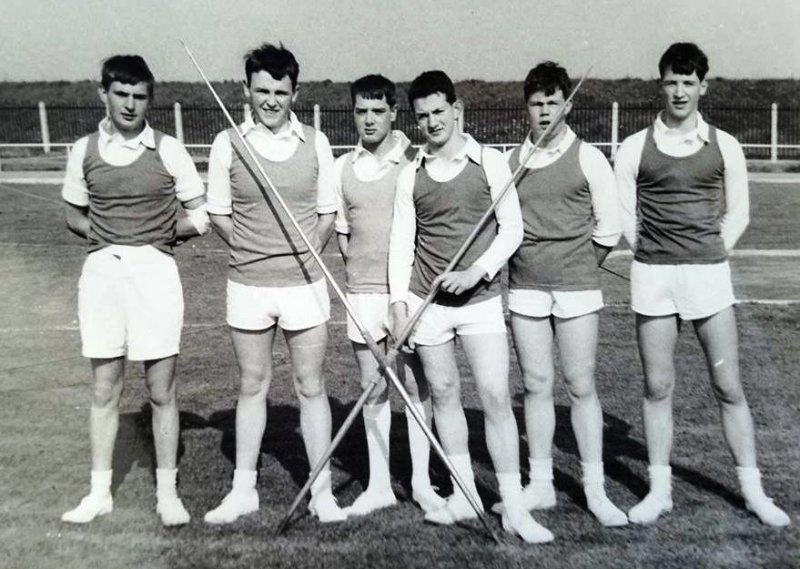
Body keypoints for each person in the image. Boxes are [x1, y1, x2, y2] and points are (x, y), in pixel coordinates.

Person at [614, 42, 790, 526]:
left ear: (702, 87)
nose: (679, 91)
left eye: (688, 83)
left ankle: (753, 492)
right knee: (656, 386)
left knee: (728, 385)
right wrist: (651, 248)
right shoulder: (634, 147)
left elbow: (738, 214)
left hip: (708, 276)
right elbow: (625, 213)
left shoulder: (724, 144)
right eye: (671, 81)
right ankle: (660, 492)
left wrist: (710, 251)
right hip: (652, 276)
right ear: (660, 84)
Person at [389, 70, 553, 543]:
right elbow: (402, 246)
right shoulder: (411, 174)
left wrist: (474, 272)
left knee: (495, 397)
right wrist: (400, 306)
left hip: (479, 301)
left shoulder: (489, 162)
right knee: (443, 396)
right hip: (427, 304)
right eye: (422, 116)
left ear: (457, 110)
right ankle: (465, 496)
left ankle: (516, 509)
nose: (432, 122)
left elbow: (512, 231)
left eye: (439, 112)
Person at [60, 55, 209, 526]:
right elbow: (73, 215)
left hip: (155, 274)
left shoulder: (168, 149)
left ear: (150, 99)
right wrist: (108, 240)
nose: (129, 104)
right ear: (102, 93)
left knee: (161, 388)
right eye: (121, 94)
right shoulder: (82, 149)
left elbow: (202, 216)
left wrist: (160, 235)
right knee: (105, 389)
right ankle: (99, 492)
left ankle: (168, 495)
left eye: (139, 96)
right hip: (102, 276)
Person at [203, 42, 345, 524]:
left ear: (295, 92)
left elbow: (327, 214)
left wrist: (307, 251)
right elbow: (219, 214)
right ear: (246, 89)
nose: (270, 100)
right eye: (261, 90)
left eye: (280, 92)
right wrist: (250, 247)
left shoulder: (317, 143)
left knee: (311, 385)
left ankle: (322, 491)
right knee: (252, 385)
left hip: (305, 283)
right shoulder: (228, 142)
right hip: (248, 284)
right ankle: (244, 490)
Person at [504, 61, 627, 526]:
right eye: (536, 104)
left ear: (566, 104)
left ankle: (595, 490)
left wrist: (575, 268)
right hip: (526, 289)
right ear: (526, 108)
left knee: (580, 386)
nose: (544, 111)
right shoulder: (513, 162)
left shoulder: (589, 157)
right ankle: (541, 486)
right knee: (536, 385)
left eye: (552, 102)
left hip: (577, 290)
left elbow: (608, 230)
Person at [333, 74, 445, 517]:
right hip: (362, 293)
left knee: (416, 385)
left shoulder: (414, 164)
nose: (369, 119)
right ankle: (379, 484)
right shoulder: (343, 168)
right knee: (372, 386)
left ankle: (420, 482)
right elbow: (344, 238)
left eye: (378, 110)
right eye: (361, 111)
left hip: (407, 294)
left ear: (394, 113)